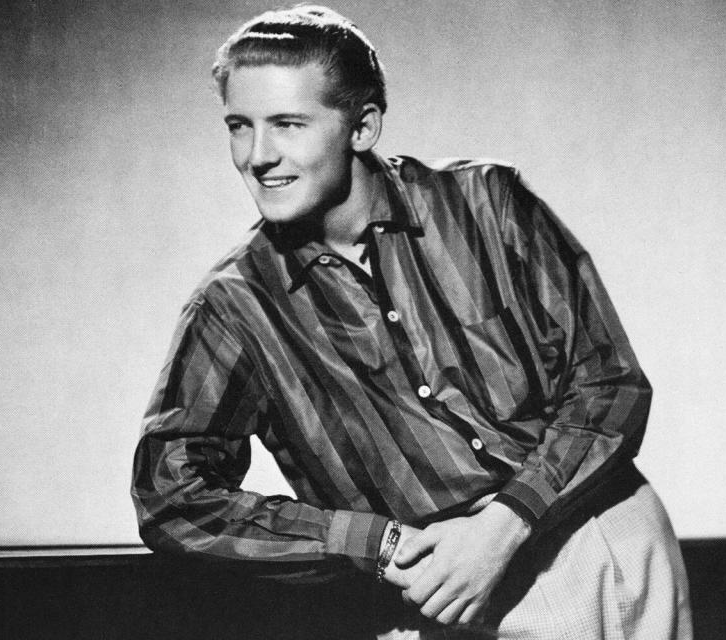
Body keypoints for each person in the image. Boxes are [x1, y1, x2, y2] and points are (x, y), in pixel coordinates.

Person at [131, 5, 692, 639]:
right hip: (433, 590)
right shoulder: (234, 307)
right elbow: (171, 494)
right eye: (240, 126)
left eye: (288, 124)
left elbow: (609, 385)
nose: (258, 156)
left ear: (362, 126)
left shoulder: (488, 206)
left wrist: (503, 526)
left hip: (594, 541)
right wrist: (378, 544)